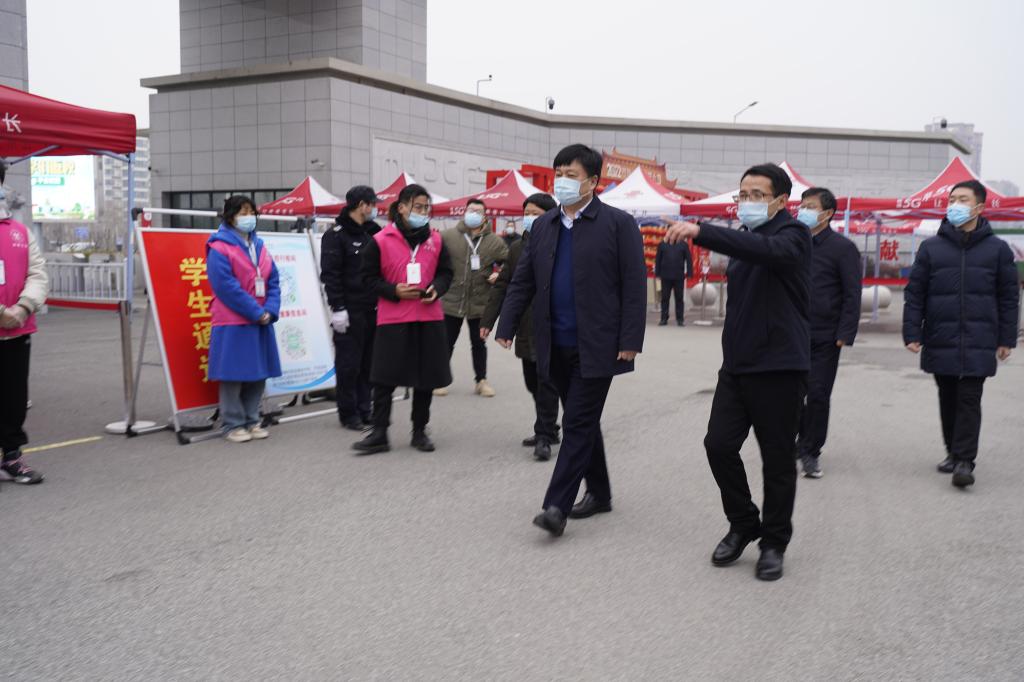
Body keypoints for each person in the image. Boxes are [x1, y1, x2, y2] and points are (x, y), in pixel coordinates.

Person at [664, 163, 811, 581]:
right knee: (718, 445)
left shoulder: (794, 236)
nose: (746, 202)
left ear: (781, 201)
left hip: (780, 368)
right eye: (742, 195)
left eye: (756, 195)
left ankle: (774, 542)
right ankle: (744, 522)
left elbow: (769, 252)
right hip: (737, 367)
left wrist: (701, 231)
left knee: (777, 461)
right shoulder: (747, 237)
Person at [496, 144, 647, 537]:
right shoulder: (545, 225)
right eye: (558, 173)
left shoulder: (618, 224)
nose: (562, 181)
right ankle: (600, 493)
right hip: (554, 341)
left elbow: (634, 286)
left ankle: (556, 506)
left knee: (577, 422)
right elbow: (523, 280)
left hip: (598, 344)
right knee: (584, 419)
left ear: (592, 181)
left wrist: (631, 337)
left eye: (571, 174)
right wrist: (506, 325)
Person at [903, 180, 1019, 488]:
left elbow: (1009, 297)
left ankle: (965, 460)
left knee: (969, 397)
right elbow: (915, 293)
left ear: (979, 207)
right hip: (940, 334)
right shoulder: (931, 248)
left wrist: (1006, 338)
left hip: (980, 337)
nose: (955, 204)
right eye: (952, 199)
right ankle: (953, 451)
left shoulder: (998, 250)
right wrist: (912, 331)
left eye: (963, 199)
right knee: (948, 396)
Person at [354, 184, 454, 454]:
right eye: (417, 207)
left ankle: (419, 431)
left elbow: (446, 273)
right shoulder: (380, 240)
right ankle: (379, 433)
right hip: (393, 318)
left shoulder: (435, 240)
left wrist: (437, 288)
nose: (423, 212)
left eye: (426, 208)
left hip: (429, 317)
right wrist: (393, 290)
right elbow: (366, 278)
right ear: (401, 208)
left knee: (426, 378)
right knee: (383, 379)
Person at [481, 193, 562, 462]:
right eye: (526, 213)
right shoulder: (517, 248)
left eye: (536, 214)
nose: (529, 218)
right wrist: (489, 321)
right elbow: (504, 286)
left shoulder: (561, 244)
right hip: (525, 325)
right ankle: (550, 426)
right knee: (532, 381)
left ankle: (544, 434)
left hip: (551, 324)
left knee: (547, 380)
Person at [794, 187, 862, 479]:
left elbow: (852, 293)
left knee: (818, 394)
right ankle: (799, 441)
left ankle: (811, 451)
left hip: (825, 335)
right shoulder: (793, 243)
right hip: (791, 332)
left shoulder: (843, 248)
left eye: (810, 206)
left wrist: (845, 332)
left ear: (827, 213)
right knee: (792, 394)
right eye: (802, 205)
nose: (803, 211)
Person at [206, 196, 282, 443]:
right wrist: (256, 312)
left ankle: (252, 419)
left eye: (251, 212)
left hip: (261, 319)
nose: (248, 217)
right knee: (233, 374)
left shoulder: (259, 246)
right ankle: (232, 424)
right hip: (233, 320)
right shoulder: (219, 247)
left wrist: (270, 310)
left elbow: (273, 281)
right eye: (243, 212)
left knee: (258, 372)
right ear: (230, 217)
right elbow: (226, 287)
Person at [321, 185, 380, 430]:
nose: (375, 209)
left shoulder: (373, 232)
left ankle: (365, 408)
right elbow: (330, 274)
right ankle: (348, 413)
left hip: (372, 307)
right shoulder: (336, 235)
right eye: (372, 204)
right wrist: (337, 307)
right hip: (349, 308)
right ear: (362, 205)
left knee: (368, 363)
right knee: (349, 364)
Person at [0, 182, 47, 486]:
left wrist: (23, 307)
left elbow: (38, 274)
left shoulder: (19, 232)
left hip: (17, 329)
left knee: (14, 397)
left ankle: (12, 457)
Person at [436, 198, 508, 398]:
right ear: (464, 212)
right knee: (447, 342)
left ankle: (481, 381)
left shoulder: (494, 241)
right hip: (452, 299)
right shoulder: (448, 236)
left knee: (478, 343)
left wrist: (499, 274)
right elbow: (434, 261)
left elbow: (510, 262)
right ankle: (440, 380)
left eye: (478, 211)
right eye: (470, 210)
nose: (473, 214)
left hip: (480, 301)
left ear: (484, 216)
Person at [655, 233, 693, 326]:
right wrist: (657, 273)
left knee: (679, 298)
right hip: (665, 276)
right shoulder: (662, 244)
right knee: (665, 298)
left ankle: (680, 319)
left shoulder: (683, 245)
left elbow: (688, 259)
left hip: (679, 276)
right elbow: (658, 259)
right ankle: (664, 318)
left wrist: (689, 273)